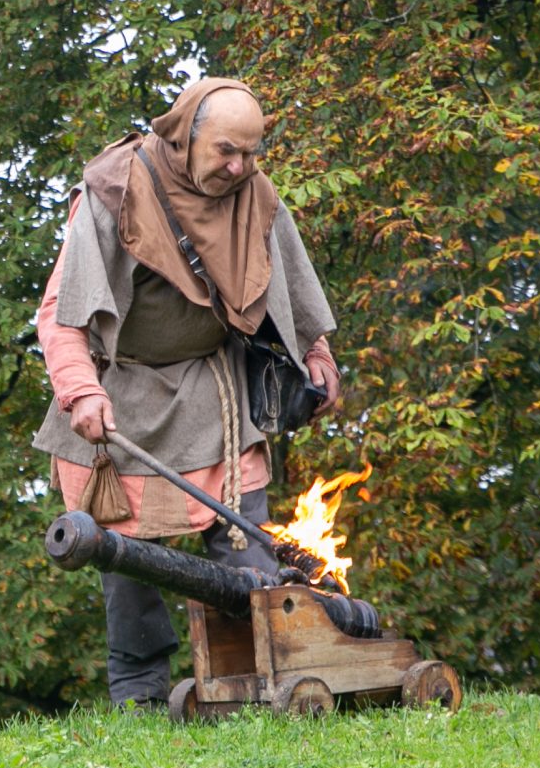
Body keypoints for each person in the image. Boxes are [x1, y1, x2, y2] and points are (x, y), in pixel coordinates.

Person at [32, 77, 344, 707]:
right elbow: (59, 315)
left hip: (216, 395)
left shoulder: (255, 195)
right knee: (128, 564)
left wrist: (316, 353)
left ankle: (269, 685)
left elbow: (292, 290)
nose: (239, 168)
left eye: (251, 153)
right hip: (123, 397)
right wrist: (79, 390)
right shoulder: (115, 190)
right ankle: (141, 697)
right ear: (186, 136)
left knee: (248, 553)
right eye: (227, 150)